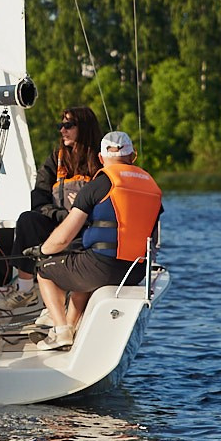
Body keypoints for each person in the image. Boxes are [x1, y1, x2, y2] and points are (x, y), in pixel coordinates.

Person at [32, 129, 162, 351]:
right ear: (133, 156)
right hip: (136, 272)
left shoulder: (97, 186)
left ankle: (60, 329)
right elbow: (154, 238)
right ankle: (72, 327)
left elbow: (62, 239)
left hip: (100, 268)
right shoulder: (153, 187)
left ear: (101, 159)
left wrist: (42, 251)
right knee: (80, 266)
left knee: (44, 269)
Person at [0, 105, 103, 313]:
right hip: (60, 223)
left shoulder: (101, 161)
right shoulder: (56, 159)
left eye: (68, 125)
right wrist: (63, 215)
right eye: (61, 125)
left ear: (85, 127)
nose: (62, 130)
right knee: (28, 219)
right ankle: (25, 289)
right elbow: (39, 198)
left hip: (89, 228)